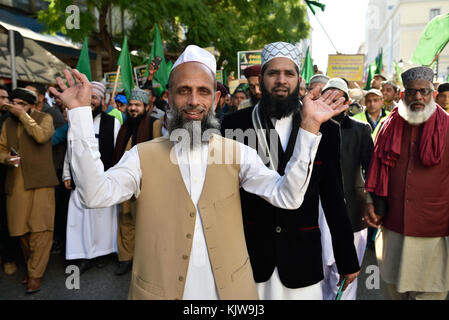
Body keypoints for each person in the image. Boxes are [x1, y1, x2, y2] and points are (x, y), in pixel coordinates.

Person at [50, 44, 347, 300]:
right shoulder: (142, 156)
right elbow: (93, 194)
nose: (193, 101)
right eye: (184, 91)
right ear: (169, 97)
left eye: (203, 91)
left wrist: (309, 128)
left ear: (215, 100)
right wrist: (78, 114)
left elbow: (288, 197)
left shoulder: (238, 153)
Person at [221, 42, 359, 300]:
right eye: (273, 73)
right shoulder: (234, 124)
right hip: (249, 257)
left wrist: (346, 258)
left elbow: (332, 195)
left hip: (302, 258)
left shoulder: (326, 128)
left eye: (289, 73)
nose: (281, 80)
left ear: (299, 80)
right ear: (260, 79)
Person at [365, 66, 449, 300]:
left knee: (430, 292)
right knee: (395, 291)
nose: (418, 97)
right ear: (403, 96)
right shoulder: (389, 126)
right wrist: (372, 201)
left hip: (434, 230)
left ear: (433, 94)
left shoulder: (447, 126)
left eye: (424, 92)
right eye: (412, 92)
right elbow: (377, 167)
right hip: (395, 224)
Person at [318, 78, 374, 300]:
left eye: (337, 96)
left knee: (349, 271)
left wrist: (373, 203)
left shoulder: (361, 129)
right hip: (319, 209)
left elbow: (372, 169)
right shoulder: (311, 126)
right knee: (321, 271)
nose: (332, 101)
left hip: (353, 210)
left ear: (347, 100)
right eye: (327, 96)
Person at [0, 88, 58, 293]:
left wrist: (23, 116)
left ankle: (35, 274)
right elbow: (1, 149)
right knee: (20, 229)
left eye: (21, 104)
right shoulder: (7, 123)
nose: (15, 107)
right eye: (13, 103)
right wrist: (7, 159)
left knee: (40, 230)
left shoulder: (46, 118)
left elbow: (41, 136)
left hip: (41, 182)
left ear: (32, 105)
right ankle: (33, 266)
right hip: (16, 182)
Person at [63, 81, 121, 274]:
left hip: (103, 181)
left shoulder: (113, 123)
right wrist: (66, 173)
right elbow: (70, 150)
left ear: (102, 101)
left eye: (94, 98)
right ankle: (84, 255)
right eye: (89, 98)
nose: (91, 102)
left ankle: (102, 253)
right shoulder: (76, 120)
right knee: (80, 220)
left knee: (102, 221)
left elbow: (118, 153)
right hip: (80, 181)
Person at [112, 88, 162, 276]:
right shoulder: (125, 126)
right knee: (125, 220)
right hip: (124, 182)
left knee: (146, 223)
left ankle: (147, 261)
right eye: (131, 105)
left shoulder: (154, 125)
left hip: (145, 183)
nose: (133, 108)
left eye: (137, 105)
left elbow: (159, 155)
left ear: (146, 107)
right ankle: (125, 258)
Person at [0, 85, 19, 276]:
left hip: (6, 177)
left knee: (5, 220)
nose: (4, 102)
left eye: (6, 97)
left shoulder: (9, 120)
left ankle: (9, 258)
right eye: (1, 98)